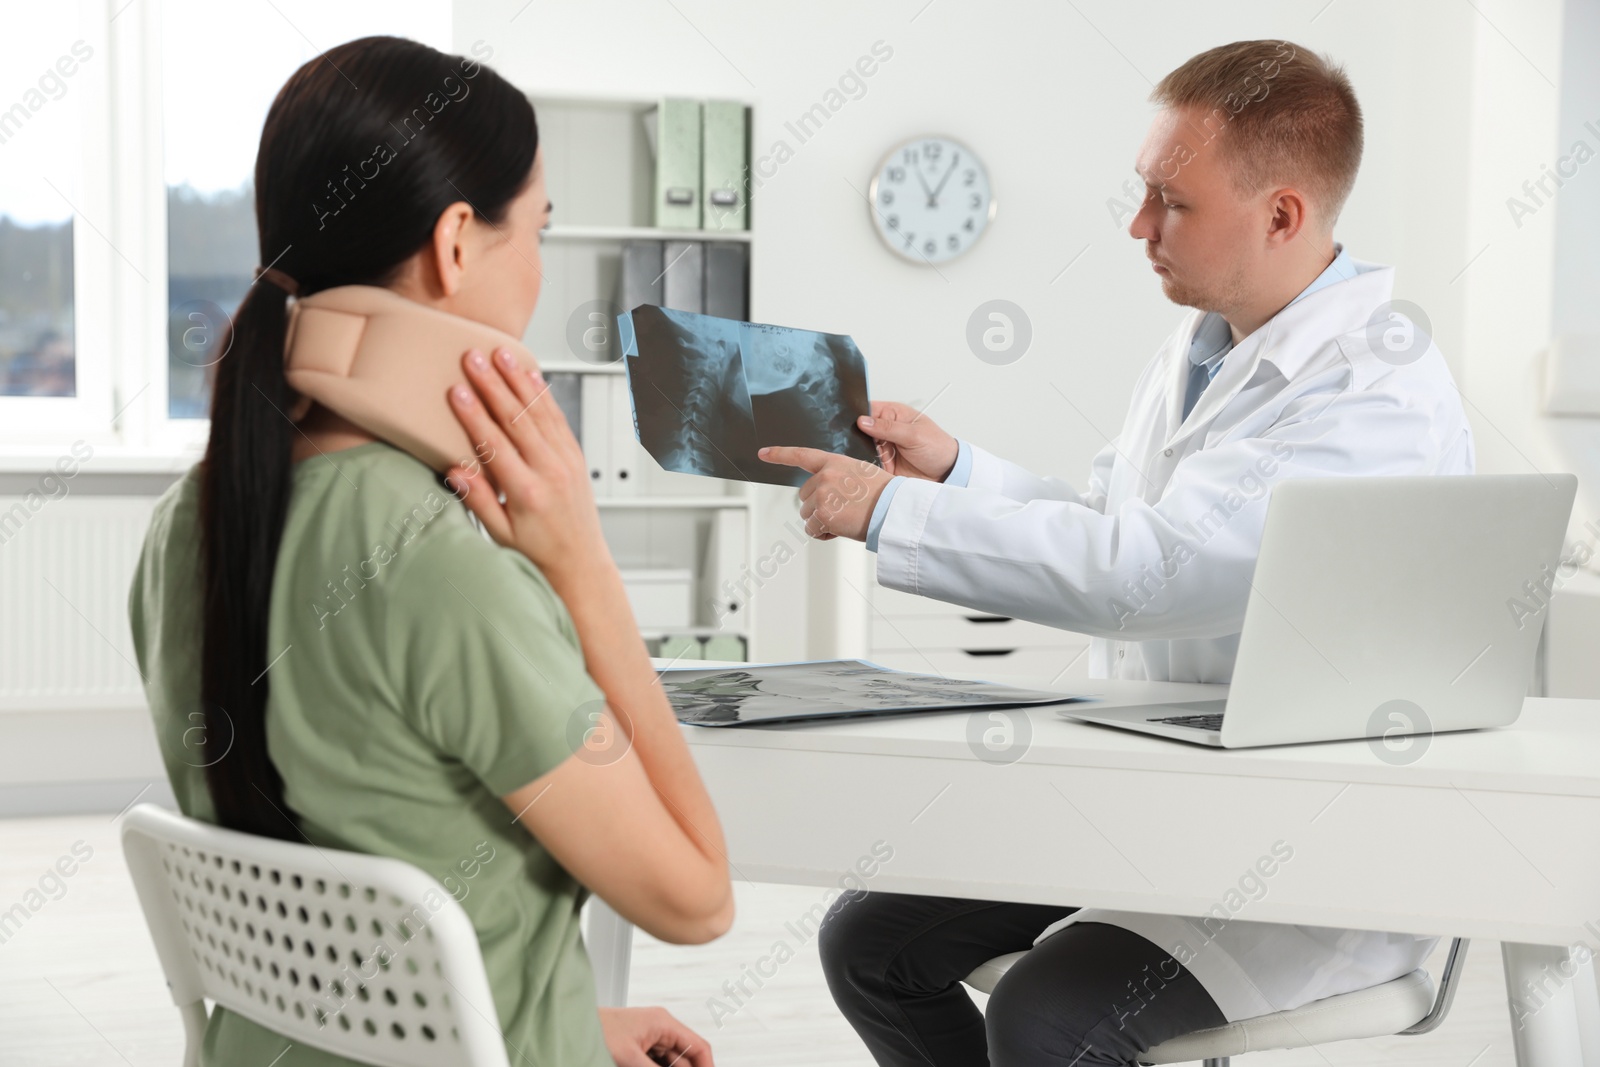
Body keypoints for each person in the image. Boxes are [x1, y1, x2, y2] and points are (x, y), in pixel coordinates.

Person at [758, 40, 1473, 1067]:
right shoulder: (1208, 343)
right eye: (1143, 195)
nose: (1138, 227)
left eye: (1170, 204)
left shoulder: (1374, 391)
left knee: (1048, 1014)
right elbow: (1110, 511)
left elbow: (1152, 572)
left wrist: (886, 516)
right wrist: (952, 471)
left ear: (1281, 214)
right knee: (870, 939)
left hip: (1294, 840)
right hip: (1159, 797)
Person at [128, 36, 732, 1067]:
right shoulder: (440, 565)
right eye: (539, 228)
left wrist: (563, 1017)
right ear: (457, 242)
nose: (540, 266)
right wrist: (580, 560)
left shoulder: (187, 521)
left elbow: (346, 883)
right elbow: (695, 897)